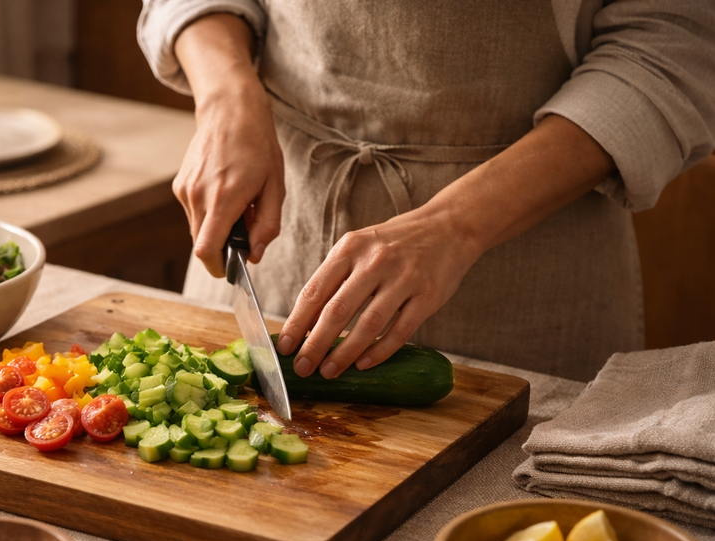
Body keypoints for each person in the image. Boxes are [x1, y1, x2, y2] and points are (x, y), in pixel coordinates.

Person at [137, 1, 715, 382]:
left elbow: (677, 43)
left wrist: (457, 224)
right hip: (277, 222)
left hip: (530, 280)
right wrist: (225, 95)